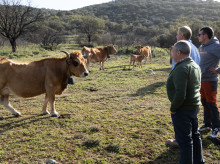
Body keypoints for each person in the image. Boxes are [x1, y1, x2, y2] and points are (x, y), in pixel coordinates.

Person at [166, 40, 205, 164]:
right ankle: (199, 161)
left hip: (183, 109)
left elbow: (180, 94)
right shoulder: (194, 65)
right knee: (195, 136)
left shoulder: (181, 68)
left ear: (178, 52)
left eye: (173, 52)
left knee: (185, 141)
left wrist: (173, 108)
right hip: (194, 106)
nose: (172, 55)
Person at [167, 26, 200, 146]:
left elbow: (181, 90)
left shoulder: (180, 49)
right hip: (194, 94)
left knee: (181, 119)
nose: (176, 36)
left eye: (177, 34)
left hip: (183, 96)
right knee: (192, 125)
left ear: (181, 35)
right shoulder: (195, 48)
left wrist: (174, 106)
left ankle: (180, 140)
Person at [197, 26, 220, 138]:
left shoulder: (216, 46)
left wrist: (217, 70)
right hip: (201, 79)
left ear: (205, 36)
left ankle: (216, 128)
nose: (198, 36)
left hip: (210, 80)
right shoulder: (202, 46)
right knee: (204, 102)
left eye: (199, 34)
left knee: (212, 104)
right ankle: (207, 124)